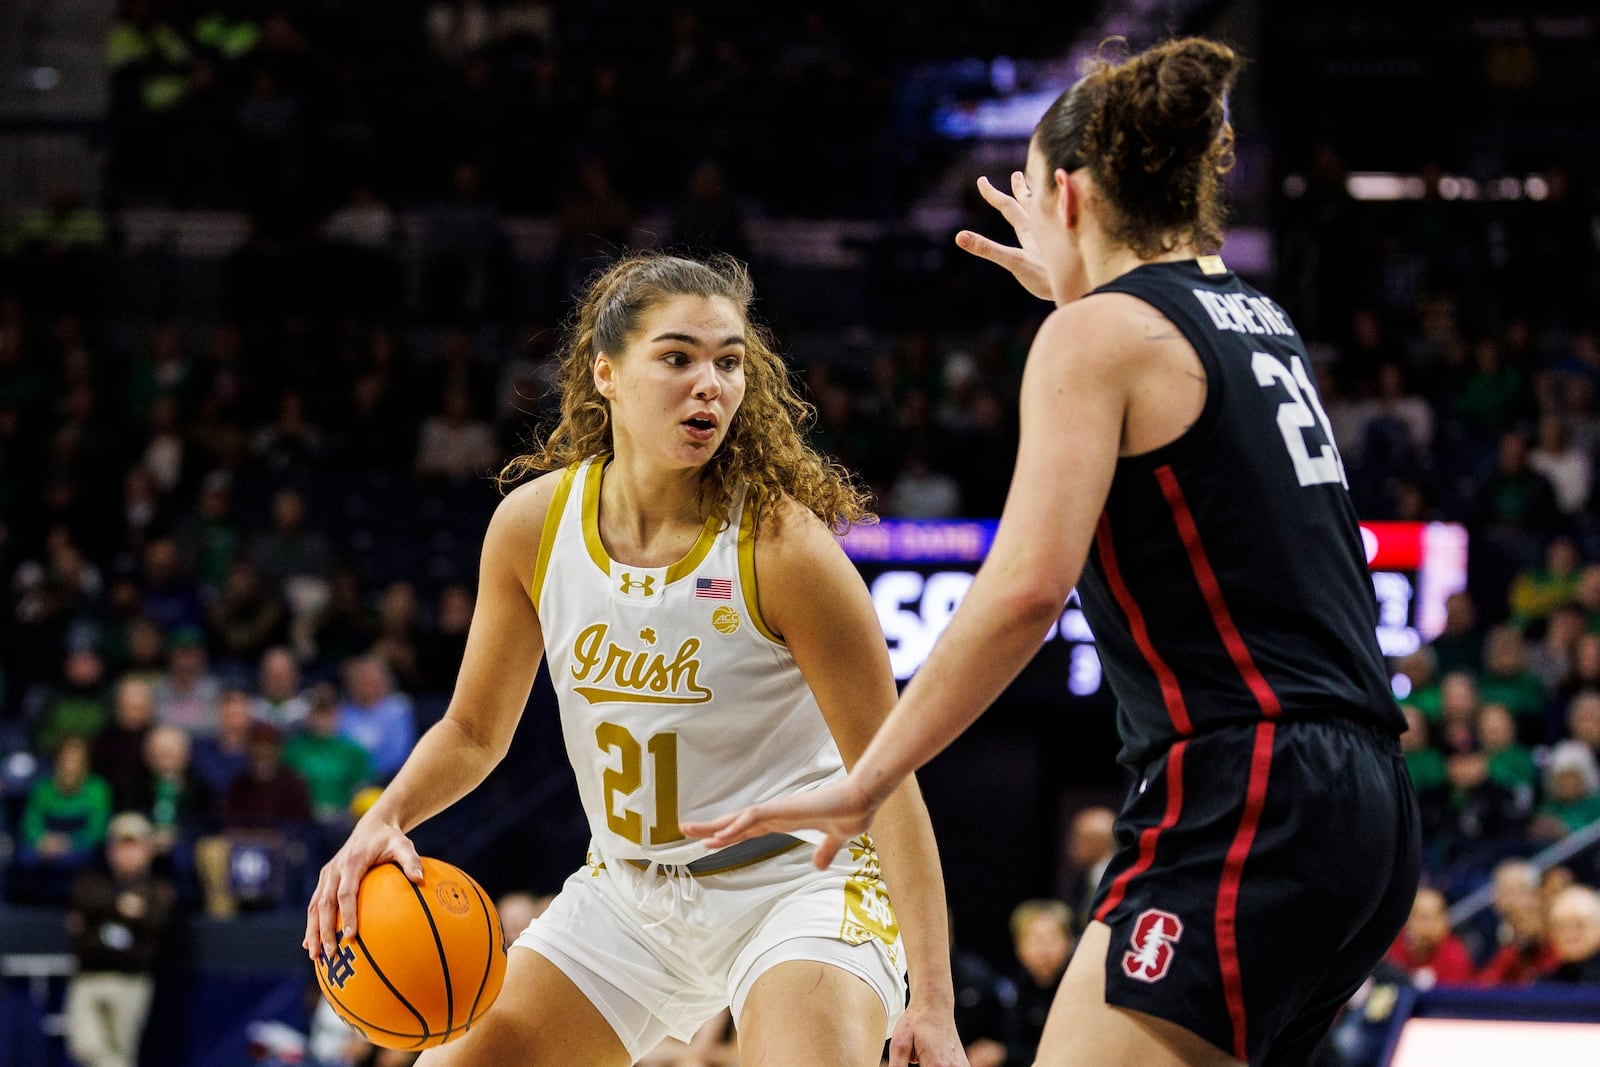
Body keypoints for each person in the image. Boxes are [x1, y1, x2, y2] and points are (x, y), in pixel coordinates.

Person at [687, 37, 1422, 1067]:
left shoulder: (1094, 337)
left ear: (1069, 197)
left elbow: (1027, 587)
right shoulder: (1256, 320)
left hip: (1248, 786)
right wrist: (1078, 289)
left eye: (1031, 191)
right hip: (1363, 802)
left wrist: (870, 775)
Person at [305, 252, 965, 1067]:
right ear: (605, 372)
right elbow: (474, 730)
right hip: (630, 891)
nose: (711, 384)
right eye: (678, 357)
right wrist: (383, 818)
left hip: (798, 883)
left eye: (729, 362)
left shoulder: (785, 548)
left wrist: (933, 1001)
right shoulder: (532, 527)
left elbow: (889, 776)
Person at [62, 812, 178, 1067]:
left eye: (134, 846)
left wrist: (100, 919)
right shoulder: (91, 881)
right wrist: (120, 907)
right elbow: (81, 916)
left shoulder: (159, 889)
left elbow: (154, 928)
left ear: (148, 849)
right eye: (121, 846)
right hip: (88, 978)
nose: (127, 854)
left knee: (122, 1051)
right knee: (86, 1046)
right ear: (110, 849)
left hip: (131, 981)